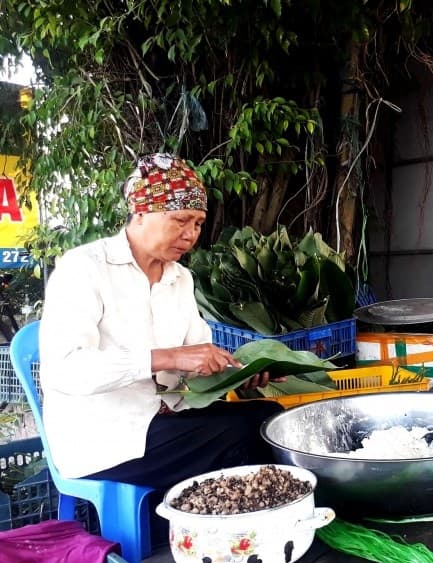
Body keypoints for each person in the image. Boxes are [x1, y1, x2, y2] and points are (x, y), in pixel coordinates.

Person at [38, 153, 282, 490]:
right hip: (105, 439)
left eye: (197, 223)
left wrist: (238, 375)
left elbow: (197, 362)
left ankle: (226, 526)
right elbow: (64, 370)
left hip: (166, 420)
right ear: (140, 213)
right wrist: (167, 356)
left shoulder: (179, 277)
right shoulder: (84, 268)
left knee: (272, 417)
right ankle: (219, 530)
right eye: (180, 220)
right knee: (245, 433)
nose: (191, 234)